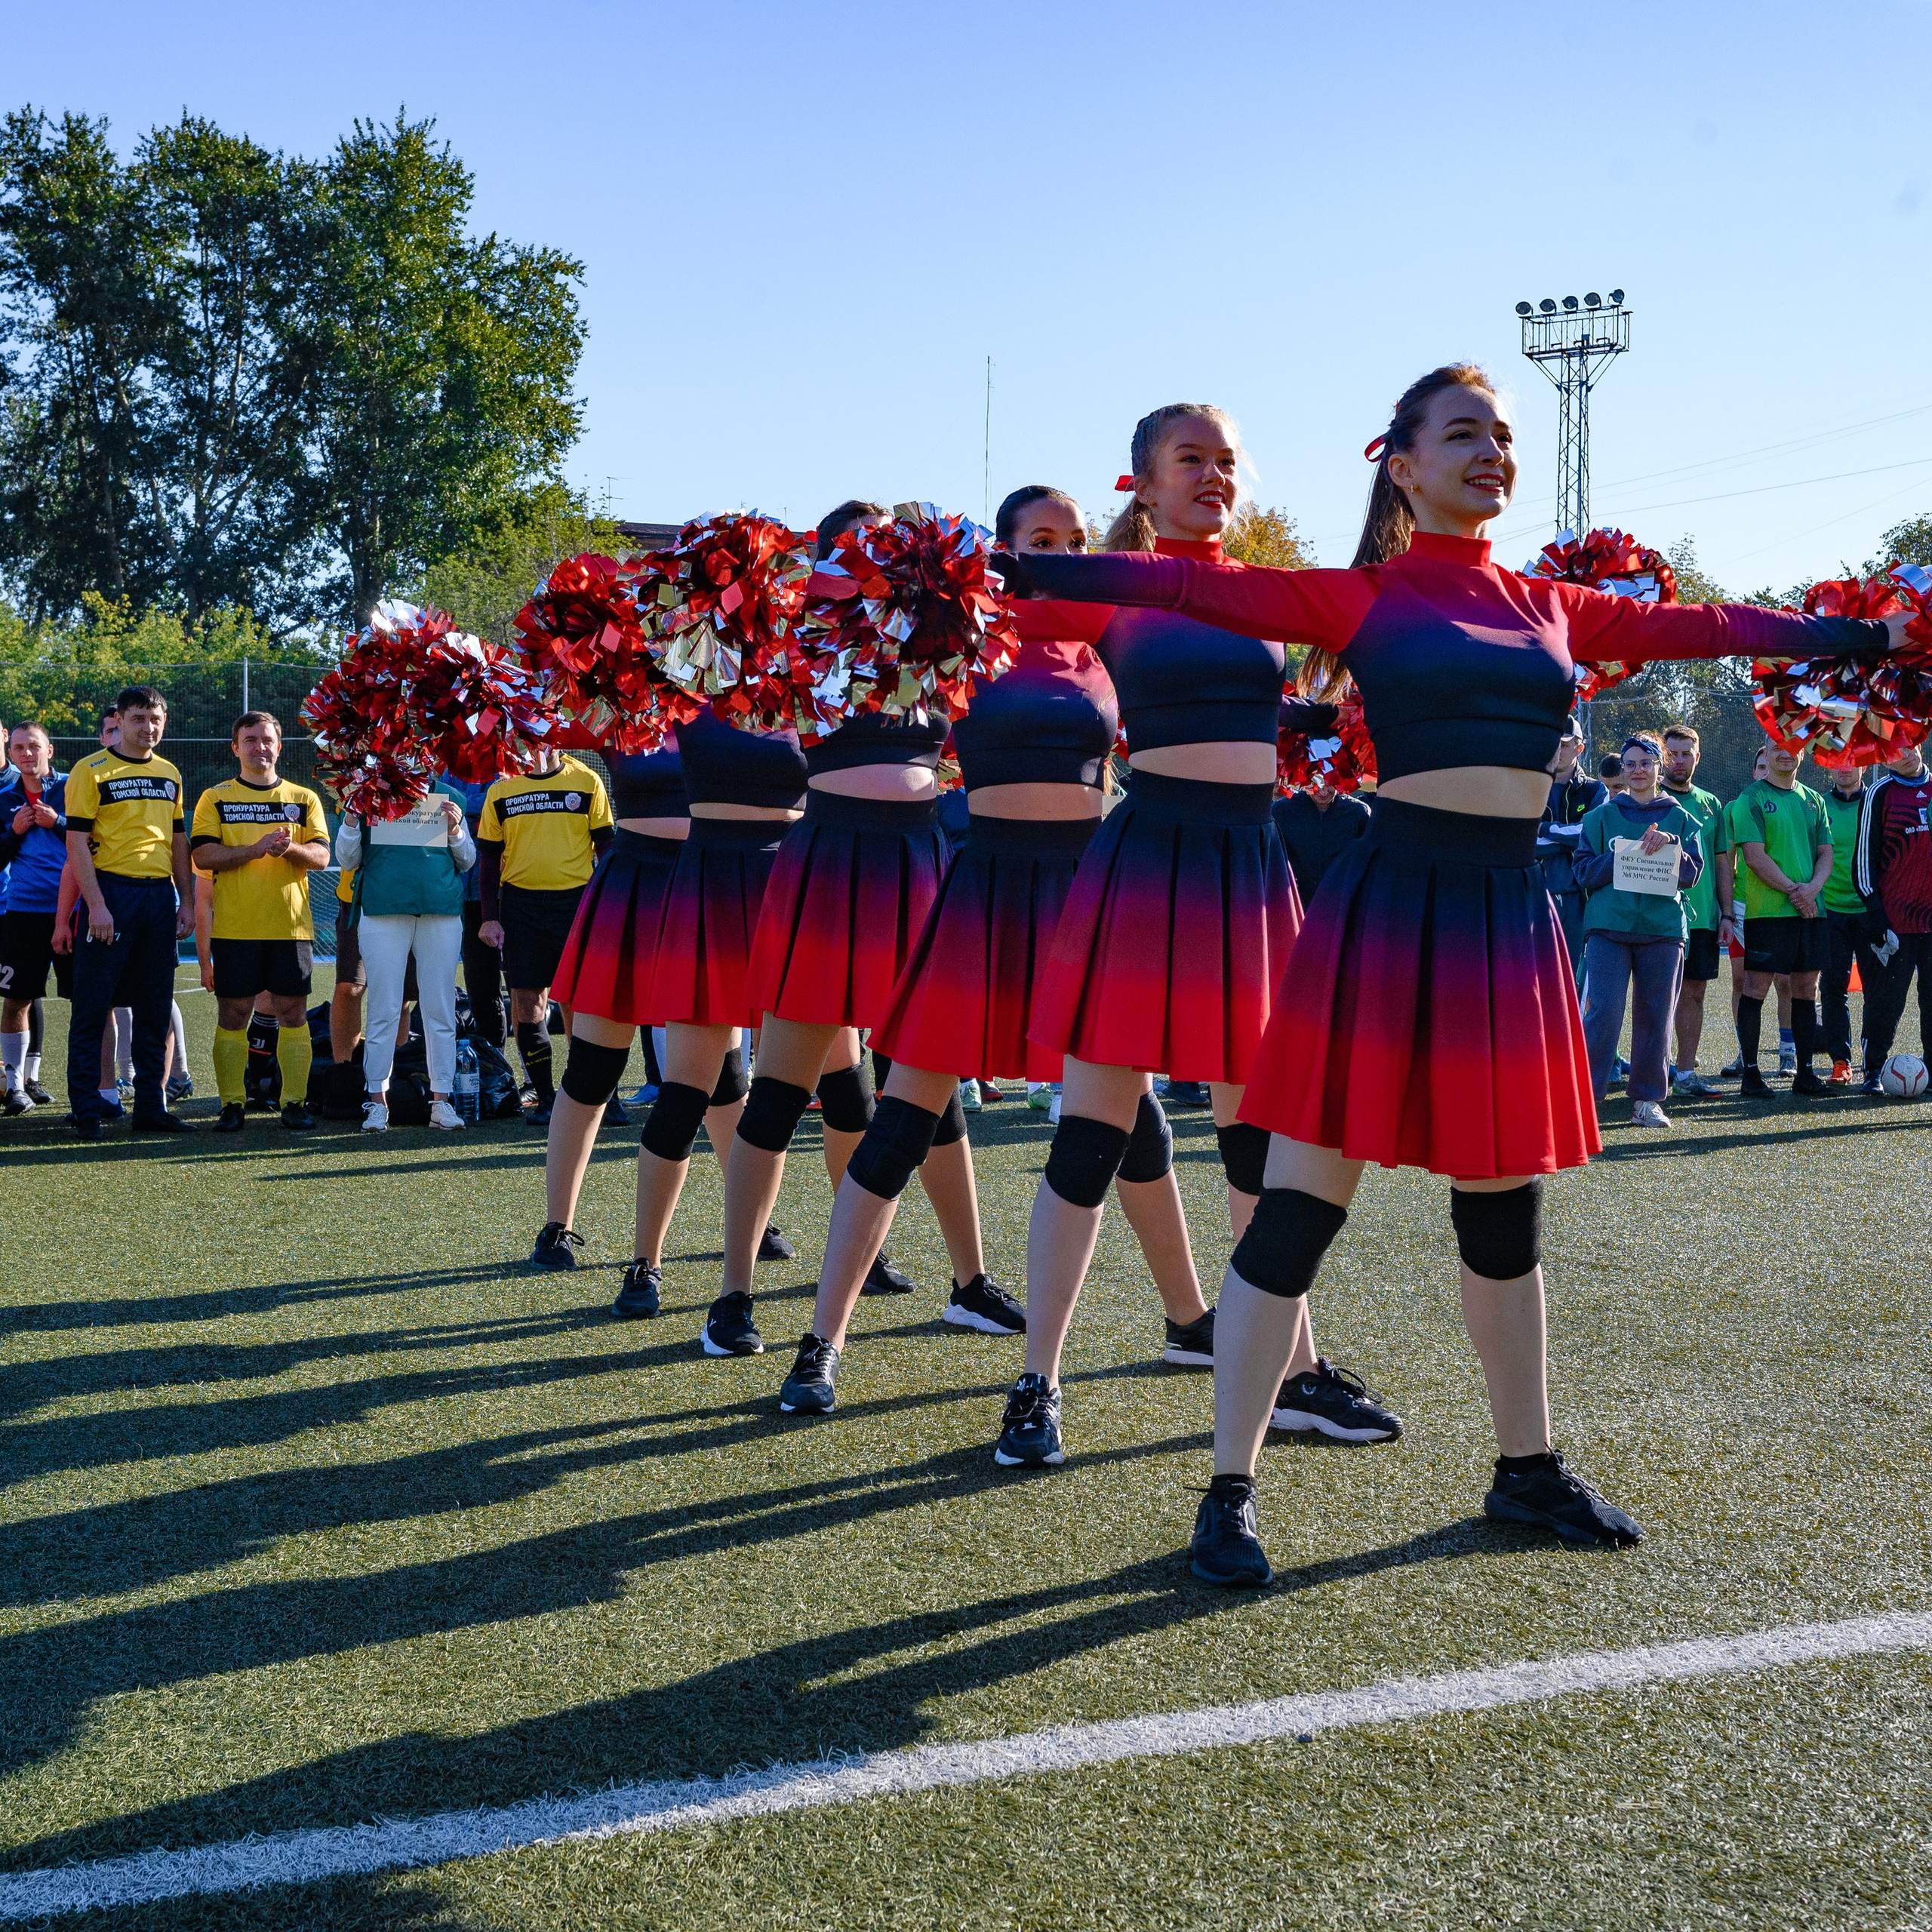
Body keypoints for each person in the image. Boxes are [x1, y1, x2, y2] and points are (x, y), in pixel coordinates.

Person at [998, 362, 1908, 1577]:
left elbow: (1720, 627)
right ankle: (1228, 1488)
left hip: (1503, 916)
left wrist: (1866, 633)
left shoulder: (1554, 605)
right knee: (1301, 1206)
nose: (1492, 452)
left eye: (1504, 436)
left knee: (1503, 1212)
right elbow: (1167, 581)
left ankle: (1525, 1468)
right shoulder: (1356, 596)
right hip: (1387, 907)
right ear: (1404, 463)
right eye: (1464, 433)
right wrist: (1006, 571)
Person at [988, 406, 1398, 1471]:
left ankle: (1296, 1374)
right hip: (1148, 860)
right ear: (1142, 484)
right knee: (1091, 1136)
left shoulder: (1265, 592)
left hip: (1250, 868)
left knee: (1262, 1139)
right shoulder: (1108, 587)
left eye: (1226, 462)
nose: (1214, 477)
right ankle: (1036, 1381)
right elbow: (982, 608)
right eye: (1190, 461)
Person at [778, 485, 1219, 1416]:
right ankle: (821, 1342)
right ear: (1006, 552)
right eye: (1037, 540)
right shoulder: (964, 633)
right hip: (981, 896)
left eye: (1069, 537)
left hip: (1091, 894)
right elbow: (833, 639)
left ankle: (1188, 1320)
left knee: (1133, 1121)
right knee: (904, 1119)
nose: (1057, 552)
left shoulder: (1115, 642)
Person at [701, 498, 989, 1358]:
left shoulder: (936, 639)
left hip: (917, 870)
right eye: (858, 550)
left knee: (928, 1088)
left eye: (888, 549)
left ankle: (971, 1282)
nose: (876, 562)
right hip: (826, 868)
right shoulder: (801, 638)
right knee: (782, 1093)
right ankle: (733, 1296)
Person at [595, 708, 814, 1313]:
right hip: (710, 883)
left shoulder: (810, 671)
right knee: (686, 1092)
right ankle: (645, 1262)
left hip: (793, 887)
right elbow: (569, 718)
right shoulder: (682, 682)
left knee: (837, 1090)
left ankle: (864, 1253)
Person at [533, 732, 698, 1268]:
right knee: (591, 1070)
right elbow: (538, 717)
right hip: (630, 889)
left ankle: (756, 1219)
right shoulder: (625, 707)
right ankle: (558, 1226)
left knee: (719, 1081)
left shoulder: (743, 701)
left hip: (709, 887)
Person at [62, 686, 195, 1139]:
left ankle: (150, 1107)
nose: (149, 727)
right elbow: (76, 843)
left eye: (156, 718)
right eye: (139, 718)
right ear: (119, 721)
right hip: (111, 894)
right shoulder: (90, 770)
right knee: (93, 1006)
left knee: (155, 1008)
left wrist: (187, 900)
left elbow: (179, 842)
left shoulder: (170, 772)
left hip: (158, 898)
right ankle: (85, 1107)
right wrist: (96, 905)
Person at [189, 711, 331, 1133]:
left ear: (279, 746)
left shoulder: (303, 798)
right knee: (233, 1014)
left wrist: (289, 850)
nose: (259, 747)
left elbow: (322, 857)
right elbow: (202, 856)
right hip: (235, 928)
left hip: (290, 928)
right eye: (249, 740)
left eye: (267, 739)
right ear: (236, 748)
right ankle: (233, 1103)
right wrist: (253, 850)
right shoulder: (215, 798)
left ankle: (294, 1104)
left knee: (292, 1013)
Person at [476, 746, 612, 1126]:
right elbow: (489, 859)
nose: (536, 748)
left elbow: (607, 848)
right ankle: (547, 1098)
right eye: (528, 739)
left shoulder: (586, 781)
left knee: (580, 1004)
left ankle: (600, 1096)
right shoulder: (502, 788)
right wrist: (490, 918)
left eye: (544, 738)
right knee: (527, 1004)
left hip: (577, 905)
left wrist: (606, 906)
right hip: (521, 909)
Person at [1572, 733, 1702, 1128]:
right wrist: (1619, 857)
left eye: (1645, 763)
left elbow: (1692, 875)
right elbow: (1582, 870)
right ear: (1622, 770)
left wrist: (1670, 847)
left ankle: (1647, 1100)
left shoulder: (1681, 818)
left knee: (1656, 1015)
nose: (1637, 771)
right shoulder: (1598, 818)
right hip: (1608, 928)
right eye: (1630, 764)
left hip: (1662, 930)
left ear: (1659, 767)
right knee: (1603, 1012)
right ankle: (1583, 1100)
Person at [334, 778, 475, 1131]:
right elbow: (347, 859)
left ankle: (442, 1101)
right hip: (383, 911)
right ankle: (377, 1102)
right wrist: (351, 820)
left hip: (439, 912)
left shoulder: (450, 796)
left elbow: (468, 859)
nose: (412, 753)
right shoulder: (366, 792)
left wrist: (456, 829)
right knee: (383, 1007)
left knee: (439, 1007)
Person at [1732, 736, 1834, 1098]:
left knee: (1806, 989)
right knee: (1755, 989)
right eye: (1776, 747)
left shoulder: (1814, 799)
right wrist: (1797, 891)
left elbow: (1826, 854)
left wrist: (1812, 891)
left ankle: (1805, 1074)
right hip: (1768, 913)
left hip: (1811, 911)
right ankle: (1752, 1074)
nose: (1785, 752)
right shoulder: (1751, 798)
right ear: (1766, 753)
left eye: (1792, 746)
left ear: (1803, 753)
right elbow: (1755, 857)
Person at [1854, 738, 1932, 1094]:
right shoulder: (1879, 793)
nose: (1905, 753)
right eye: (1894, 749)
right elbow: (1863, 862)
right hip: (1895, 922)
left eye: (1910, 744)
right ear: (1883, 756)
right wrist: (1878, 918)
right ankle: (1872, 1071)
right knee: (1886, 1001)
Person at [0, 722, 69, 1112]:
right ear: (12, 754)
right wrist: (13, 831)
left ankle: (95, 1088)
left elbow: (93, 839)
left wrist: (56, 822)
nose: (28, 754)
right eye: (21, 748)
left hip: (74, 908)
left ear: (50, 750)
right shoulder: (5, 798)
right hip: (23, 911)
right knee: (17, 999)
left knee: (89, 1001)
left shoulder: (71, 787)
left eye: (35, 747)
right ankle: (15, 1086)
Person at [1715, 745, 1793, 1076]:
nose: (1764, 772)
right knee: (1741, 981)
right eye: (1760, 767)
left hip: (1780, 907)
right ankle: (1744, 1053)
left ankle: (1788, 1052)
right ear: (1754, 771)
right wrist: (1728, 912)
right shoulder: (1736, 807)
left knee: (1785, 981)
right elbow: (1727, 863)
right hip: (1744, 907)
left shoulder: (1797, 801)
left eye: (1768, 766)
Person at [1657, 724, 1727, 1094]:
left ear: (1697, 758)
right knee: (1657, 993)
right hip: (1659, 916)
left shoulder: (1711, 803)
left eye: (1686, 754)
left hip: (1702, 919)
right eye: (1673, 753)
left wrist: (1726, 914)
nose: (1679, 760)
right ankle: (1655, 1069)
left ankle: (1685, 1074)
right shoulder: (1649, 798)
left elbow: (1722, 864)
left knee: (1695, 992)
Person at [1817, 761, 1877, 1083]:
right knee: (1832, 990)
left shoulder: (1876, 802)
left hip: (1872, 912)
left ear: (1864, 766)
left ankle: (1874, 1064)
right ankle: (1841, 1062)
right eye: (1837, 763)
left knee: (1877, 991)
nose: (1844, 768)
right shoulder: (1819, 804)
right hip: (1831, 912)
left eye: (1851, 762)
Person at [1535, 715, 1607, 980]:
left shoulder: (1596, 791)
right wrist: (1567, 842)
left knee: (1574, 979)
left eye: (1566, 744)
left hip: (1581, 898)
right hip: (1535, 894)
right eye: (1554, 743)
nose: (1558, 750)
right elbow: (1523, 841)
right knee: (1535, 978)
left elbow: (1589, 835)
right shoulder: (1531, 785)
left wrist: (1544, 829)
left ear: (1580, 748)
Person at [1272, 773, 1373, 909]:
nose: (1323, 792)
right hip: (1296, 905)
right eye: (1316, 784)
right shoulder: (1282, 811)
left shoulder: (1358, 814)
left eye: (1329, 785)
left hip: (1341, 907)